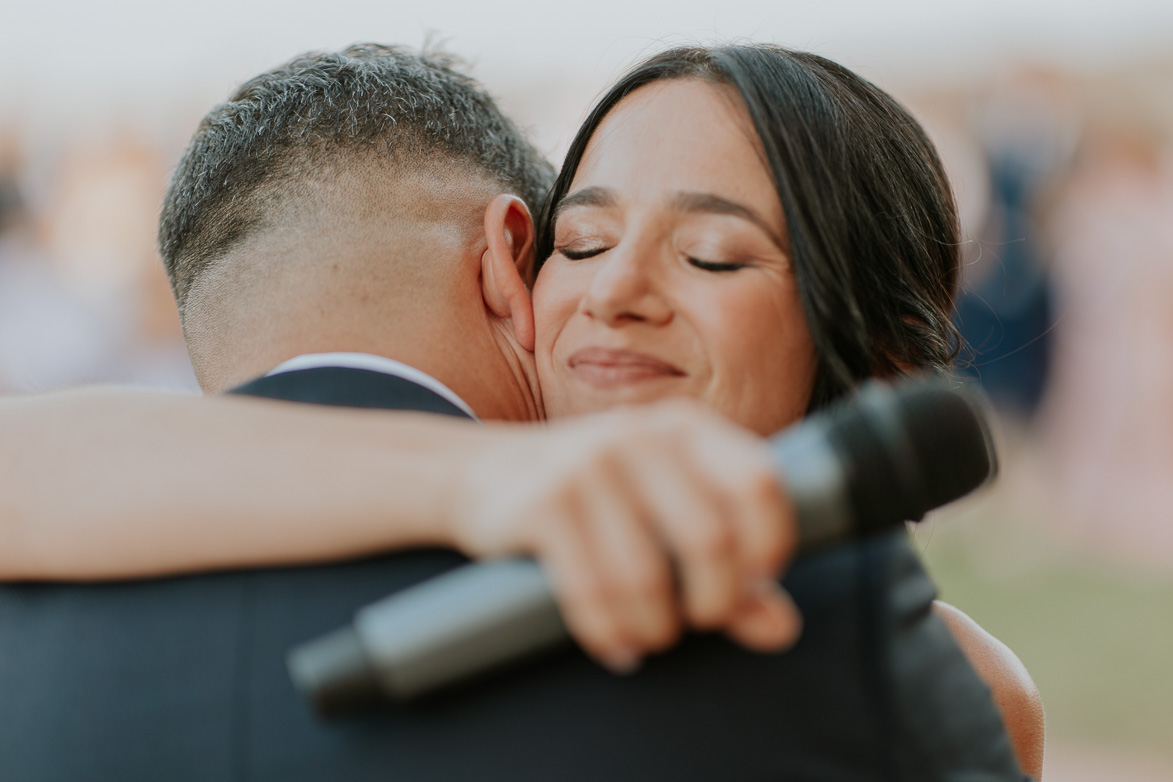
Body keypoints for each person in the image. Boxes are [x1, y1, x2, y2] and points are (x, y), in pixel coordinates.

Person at [0, 43, 1040, 779]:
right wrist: (484, 476)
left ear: (883, 365)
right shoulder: (441, 502)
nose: (611, 289)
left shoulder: (902, 659)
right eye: (578, 243)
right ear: (517, 268)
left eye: (713, 254)